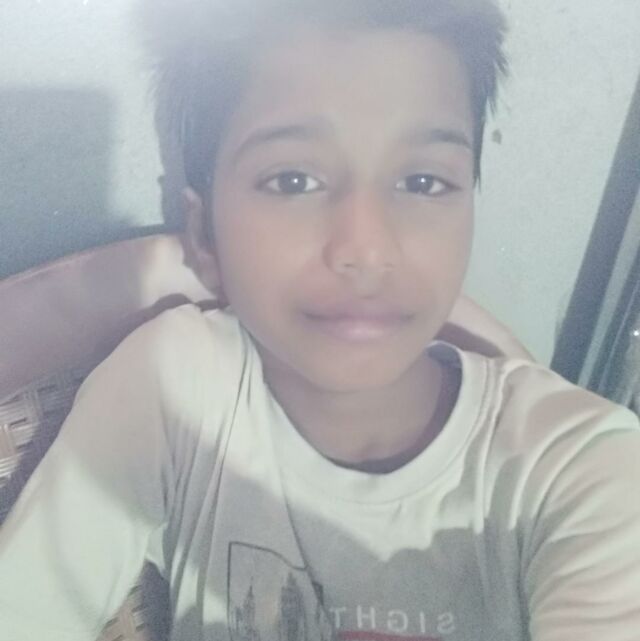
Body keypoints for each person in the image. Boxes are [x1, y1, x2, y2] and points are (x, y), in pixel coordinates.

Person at [1, 1, 639, 640]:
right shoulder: (174, 384)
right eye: (293, 180)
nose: (366, 248)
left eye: (422, 181)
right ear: (204, 235)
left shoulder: (578, 465)